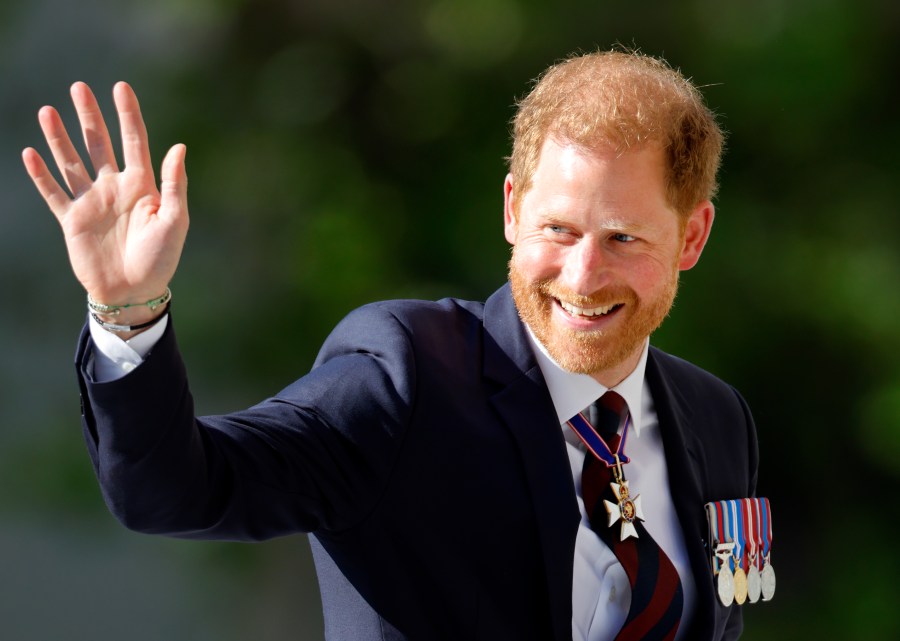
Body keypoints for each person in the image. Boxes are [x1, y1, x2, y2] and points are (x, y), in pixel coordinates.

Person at [23, 50, 757, 640]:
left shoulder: (716, 416)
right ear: (511, 208)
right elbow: (178, 491)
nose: (582, 274)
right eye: (558, 229)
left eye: (623, 238)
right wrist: (128, 310)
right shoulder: (407, 375)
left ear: (691, 235)